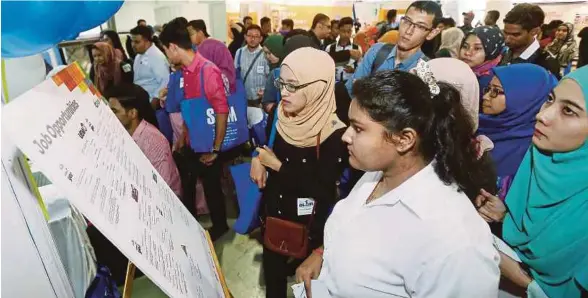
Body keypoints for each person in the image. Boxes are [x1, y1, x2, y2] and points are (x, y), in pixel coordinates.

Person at [297, 69, 500, 297]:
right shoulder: (379, 172)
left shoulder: (454, 242)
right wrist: (322, 254)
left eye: (358, 128)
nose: (346, 136)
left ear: (404, 140)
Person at [475, 66, 588, 298]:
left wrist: (520, 278)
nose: (542, 115)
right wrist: (505, 217)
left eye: (568, 110)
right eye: (550, 100)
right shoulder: (537, 161)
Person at [250, 47, 347, 298]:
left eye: (294, 85)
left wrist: (278, 167)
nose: (284, 92)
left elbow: (323, 191)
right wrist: (258, 158)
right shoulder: (279, 115)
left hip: (311, 229)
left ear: (319, 86)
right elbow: (266, 148)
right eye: (281, 83)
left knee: (307, 287)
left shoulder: (336, 134)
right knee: (274, 283)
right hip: (274, 216)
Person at [159, 19, 231, 241]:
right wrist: (183, 137)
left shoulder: (207, 71)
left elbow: (222, 111)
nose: (167, 56)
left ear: (173, 47)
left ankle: (220, 228)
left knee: (211, 187)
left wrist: (216, 149)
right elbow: (192, 109)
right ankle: (190, 225)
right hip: (193, 140)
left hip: (209, 143)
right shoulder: (186, 72)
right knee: (188, 181)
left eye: (165, 51)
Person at [477, 64, 557, 200]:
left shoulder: (532, 150)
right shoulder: (482, 124)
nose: (486, 97)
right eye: (488, 89)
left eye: (496, 91)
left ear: (524, 98)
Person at [345, 0, 442, 95]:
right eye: (407, 21)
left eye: (420, 26)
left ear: (432, 33)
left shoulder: (427, 72)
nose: (408, 31)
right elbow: (352, 90)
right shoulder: (377, 51)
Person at [105, 83, 182, 197]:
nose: (108, 115)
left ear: (132, 113)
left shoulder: (153, 141)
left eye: (114, 111)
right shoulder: (123, 134)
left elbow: (162, 189)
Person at [500, 4, 559, 77]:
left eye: (515, 35)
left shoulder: (546, 63)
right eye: (505, 33)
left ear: (534, 31)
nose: (507, 40)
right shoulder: (501, 52)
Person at [187, 19, 236, 93]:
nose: (189, 38)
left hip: (218, 88)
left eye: (191, 34)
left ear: (200, 33)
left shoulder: (205, 47)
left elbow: (199, 73)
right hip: (228, 83)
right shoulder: (215, 43)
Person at [460, 25, 506, 97]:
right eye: (465, 46)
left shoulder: (492, 82)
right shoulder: (463, 71)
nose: (467, 53)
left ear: (492, 51)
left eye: (477, 48)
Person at [130, 25, 170, 109]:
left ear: (147, 41)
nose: (133, 45)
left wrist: (154, 103)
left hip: (151, 103)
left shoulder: (156, 57)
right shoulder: (139, 55)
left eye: (137, 42)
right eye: (132, 41)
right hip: (140, 100)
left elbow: (165, 81)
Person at [235, 24, 269, 107]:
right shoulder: (239, 52)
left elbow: (269, 77)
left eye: (256, 36)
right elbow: (235, 74)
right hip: (243, 100)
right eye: (249, 35)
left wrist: (266, 92)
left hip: (261, 100)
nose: (252, 39)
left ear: (261, 39)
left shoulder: (266, 54)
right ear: (245, 37)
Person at [325, 17, 361, 83]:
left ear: (351, 31)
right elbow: (324, 66)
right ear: (338, 31)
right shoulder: (329, 48)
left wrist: (353, 70)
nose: (346, 34)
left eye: (349, 31)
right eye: (343, 31)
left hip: (350, 84)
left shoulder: (357, 48)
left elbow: (361, 69)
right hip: (333, 84)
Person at [261, 35, 285, 114]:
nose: (267, 57)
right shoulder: (273, 68)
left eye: (269, 53)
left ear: (277, 51)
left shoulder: (285, 71)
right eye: (265, 53)